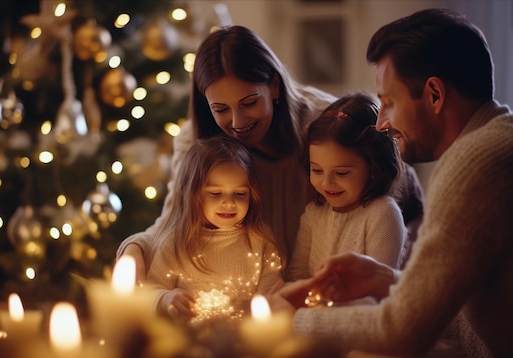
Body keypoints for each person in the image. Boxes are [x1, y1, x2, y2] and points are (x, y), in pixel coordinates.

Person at [269, 8, 513, 357]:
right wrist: (391, 283)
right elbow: (480, 318)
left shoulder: (476, 162)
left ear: (434, 94)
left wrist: (295, 320)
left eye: (389, 103)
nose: (381, 124)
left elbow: (401, 332)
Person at [116, 25, 424, 279]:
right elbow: (175, 219)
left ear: (274, 86)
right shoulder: (198, 141)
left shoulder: (323, 124)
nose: (237, 122)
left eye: (249, 103)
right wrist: (135, 249)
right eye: (221, 109)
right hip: (267, 293)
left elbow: (396, 187)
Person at [143, 135, 282, 322]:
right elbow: (148, 291)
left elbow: (269, 298)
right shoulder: (176, 242)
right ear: (193, 194)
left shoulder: (260, 239)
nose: (229, 203)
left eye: (240, 194)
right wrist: (166, 297)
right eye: (216, 193)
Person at [285, 91, 406, 284]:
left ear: (373, 168)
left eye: (341, 173)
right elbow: (297, 275)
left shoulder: (383, 214)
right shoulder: (314, 214)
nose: (326, 183)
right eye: (316, 170)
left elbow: (378, 291)